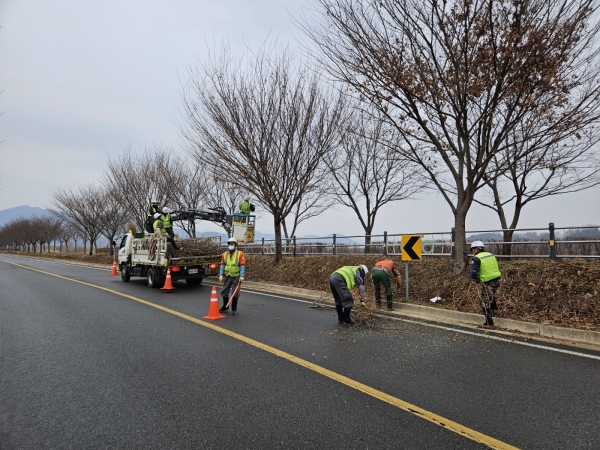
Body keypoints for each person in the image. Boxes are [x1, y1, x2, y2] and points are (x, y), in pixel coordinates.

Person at [470, 240, 501, 327]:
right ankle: (495, 310)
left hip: (488, 281)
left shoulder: (476, 258)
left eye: (472, 250)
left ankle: (489, 322)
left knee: (484, 301)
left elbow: (474, 271)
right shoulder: (491, 255)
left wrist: (474, 279)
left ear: (476, 249)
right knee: (491, 296)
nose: (472, 252)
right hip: (497, 279)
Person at [219, 237, 247, 315]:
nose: (230, 245)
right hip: (227, 276)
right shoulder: (224, 254)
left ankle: (234, 309)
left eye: (232, 244)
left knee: (235, 293)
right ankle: (225, 306)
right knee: (224, 292)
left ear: (235, 245)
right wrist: (221, 275)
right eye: (229, 244)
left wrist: (242, 275)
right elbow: (222, 265)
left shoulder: (240, 254)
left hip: (236, 277)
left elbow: (242, 265)